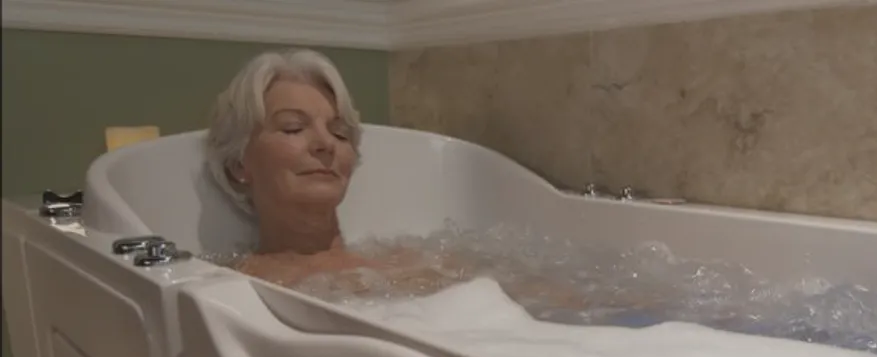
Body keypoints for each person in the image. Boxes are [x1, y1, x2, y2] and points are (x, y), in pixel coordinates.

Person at [204, 48, 594, 310]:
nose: (325, 144)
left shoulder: (414, 260)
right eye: (292, 128)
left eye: (340, 133)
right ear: (239, 164)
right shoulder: (226, 289)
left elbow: (567, 303)